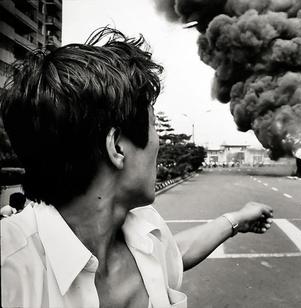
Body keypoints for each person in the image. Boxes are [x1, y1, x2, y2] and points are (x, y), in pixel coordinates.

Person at [0, 28, 273, 308]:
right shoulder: (10, 271)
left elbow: (171, 254)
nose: (158, 141)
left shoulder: (144, 227)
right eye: (153, 126)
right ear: (117, 147)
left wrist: (235, 220)